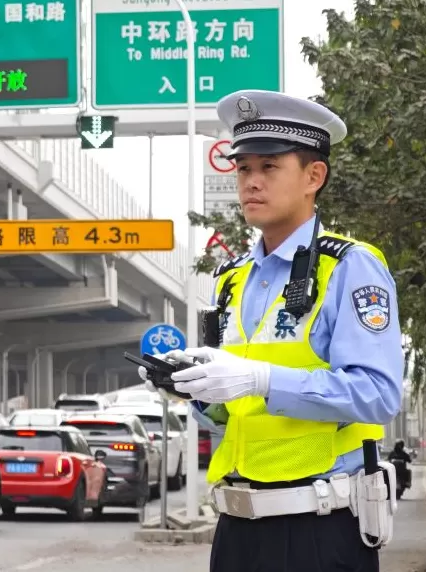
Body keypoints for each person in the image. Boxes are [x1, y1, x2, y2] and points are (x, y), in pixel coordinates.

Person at [139, 90, 403, 572]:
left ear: (313, 176)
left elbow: (379, 394)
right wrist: (194, 391)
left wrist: (261, 379)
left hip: (320, 527)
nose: (251, 183)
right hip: (238, 529)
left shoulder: (350, 268)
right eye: (243, 169)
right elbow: (232, 414)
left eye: (269, 167)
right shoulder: (230, 278)